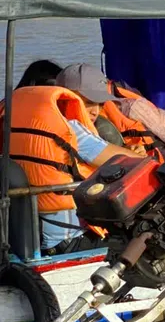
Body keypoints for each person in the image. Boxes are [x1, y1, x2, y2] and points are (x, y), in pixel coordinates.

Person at [9, 67, 141, 255]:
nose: (95, 111)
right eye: (87, 102)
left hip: (38, 238)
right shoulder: (69, 130)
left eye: (99, 103)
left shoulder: (20, 124)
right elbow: (132, 163)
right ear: (63, 97)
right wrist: (142, 155)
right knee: (145, 240)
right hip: (71, 241)